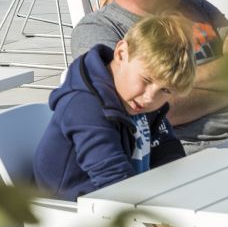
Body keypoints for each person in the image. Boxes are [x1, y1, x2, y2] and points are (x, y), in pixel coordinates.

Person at [69, 0, 228, 151]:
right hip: (194, 153)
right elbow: (148, 111)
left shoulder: (196, 5)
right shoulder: (100, 30)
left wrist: (174, 87)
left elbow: (163, 101)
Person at [33, 13, 194, 197]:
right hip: (71, 215)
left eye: (165, 90)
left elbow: (169, 154)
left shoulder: (139, 101)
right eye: (146, 79)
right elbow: (115, 183)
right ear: (121, 53)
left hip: (119, 202)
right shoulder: (84, 107)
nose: (150, 97)